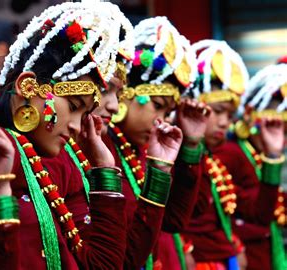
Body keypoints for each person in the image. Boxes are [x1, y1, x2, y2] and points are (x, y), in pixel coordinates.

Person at [0, 2, 129, 269]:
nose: (76, 126)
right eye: (72, 107)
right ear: (27, 87)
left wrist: (105, 172)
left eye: (84, 115)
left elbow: (102, 265)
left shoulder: (53, 158)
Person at [105, 16, 206, 269]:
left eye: (168, 113)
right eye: (158, 107)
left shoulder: (143, 150)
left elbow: (174, 221)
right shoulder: (101, 149)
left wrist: (191, 146)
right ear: (126, 96)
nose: (161, 121)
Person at [182, 39, 284, 269]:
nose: (224, 123)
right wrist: (186, 246)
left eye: (229, 115)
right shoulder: (226, 154)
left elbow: (258, 213)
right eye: (218, 112)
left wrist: (273, 156)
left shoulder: (212, 159)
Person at [229, 62, 287, 270]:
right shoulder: (232, 154)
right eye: (273, 126)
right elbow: (259, 214)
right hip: (245, 257)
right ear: (249, 115)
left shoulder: (259, 156)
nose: (281, 139)